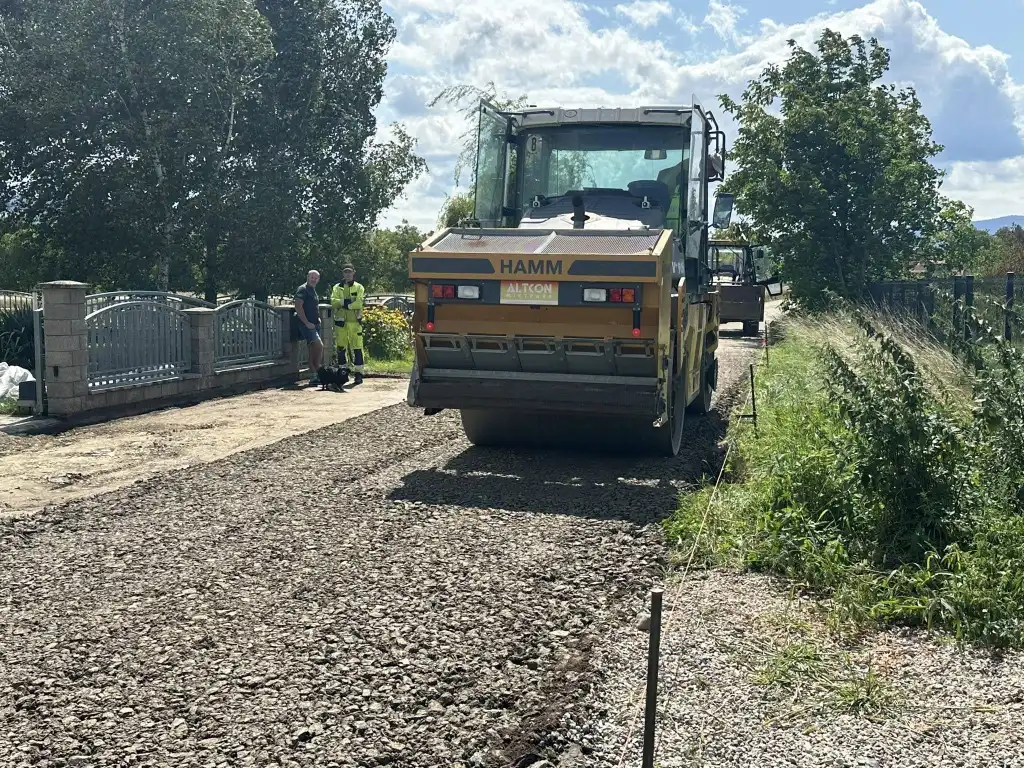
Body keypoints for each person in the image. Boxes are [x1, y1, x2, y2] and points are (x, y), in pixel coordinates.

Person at [331, 262, 365, 385]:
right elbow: (333, 302)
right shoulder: (336, 287)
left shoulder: (359, 287)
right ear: (343, 273)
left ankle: (358, 373)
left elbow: (359, 303)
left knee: (357, 348)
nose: (347, 274)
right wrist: (349, 303)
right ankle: (343, 372)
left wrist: (344, 304)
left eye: (349, 272)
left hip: (355, 322)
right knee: (341, 348)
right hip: (341, 323)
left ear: (353, 273)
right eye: (345, 272)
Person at [294, 269, 324, 385]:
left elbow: (313, 306)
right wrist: (306, 322)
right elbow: (298, 306)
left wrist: (318, 318)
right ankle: (317, 369)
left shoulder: (313, 290)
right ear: (307, 277)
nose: (314, 279)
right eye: (312, 277)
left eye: (316, 278)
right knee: (319, 345)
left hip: (315, 324)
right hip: (307, 325)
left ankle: (313, 377)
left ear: (318, 279)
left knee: (312, 349)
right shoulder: (303, 289)